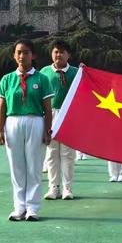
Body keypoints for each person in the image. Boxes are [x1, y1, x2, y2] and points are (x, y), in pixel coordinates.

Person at [0, 39, 54, 221]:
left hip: (35, 121)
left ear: (33, 55)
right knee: (17, 167)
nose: (22, 56)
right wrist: (0, 131)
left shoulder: (41, 79)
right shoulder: (7, 79)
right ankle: (19, 207)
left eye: (26, 52)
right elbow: (2, 108)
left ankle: (33, 208)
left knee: (34, 166)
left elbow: (47, 109)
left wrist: (47, 131)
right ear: (14, 55)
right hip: (12, 122)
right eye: (19, 52)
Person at [40, 40, 79, 200]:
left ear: (68, 55)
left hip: (69, 116)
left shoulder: (77, 72)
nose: (59, 55)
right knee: (51, 153)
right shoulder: (44, 72)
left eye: (62, 52)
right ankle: (53, 188)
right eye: (56, 51)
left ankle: (67, 188)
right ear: (51, 54)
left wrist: (86, 71)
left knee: (68, 154)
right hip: (50, 115)